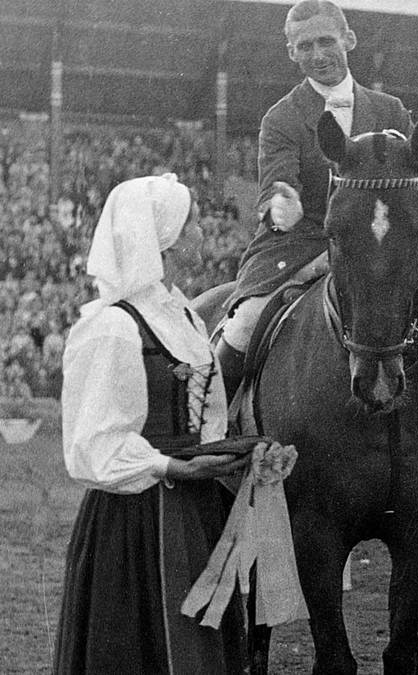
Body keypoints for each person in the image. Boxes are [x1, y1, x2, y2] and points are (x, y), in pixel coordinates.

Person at [214, 0, 418, 480]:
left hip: (375, 252)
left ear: (348, 40)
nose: (317, 54)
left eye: (326, 42)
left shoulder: (390, 110)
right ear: (291, 52)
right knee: (245, 324)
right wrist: (281, 204)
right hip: (299, 246)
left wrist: (398, 229)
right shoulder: (281, 117)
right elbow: (277, 183)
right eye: (305, 46)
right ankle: (215, 434)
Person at [53, 174, 270, 674]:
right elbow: (93, 446)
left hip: (195, 512)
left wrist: (243, 453)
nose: (201, 231)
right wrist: (171, 466)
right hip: (135, 522)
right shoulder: (114, 327)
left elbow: (208, 424)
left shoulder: (187, 318)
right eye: (191, 222)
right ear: (164, 240)